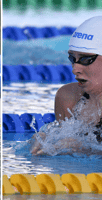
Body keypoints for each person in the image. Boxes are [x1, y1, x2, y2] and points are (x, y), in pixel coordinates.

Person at [31, 16, 102, 155]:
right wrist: (46, 140)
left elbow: (81, 149)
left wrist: (86, 149)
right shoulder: (68, 98)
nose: (75, 69)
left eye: (86, 59)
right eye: (72, 58)